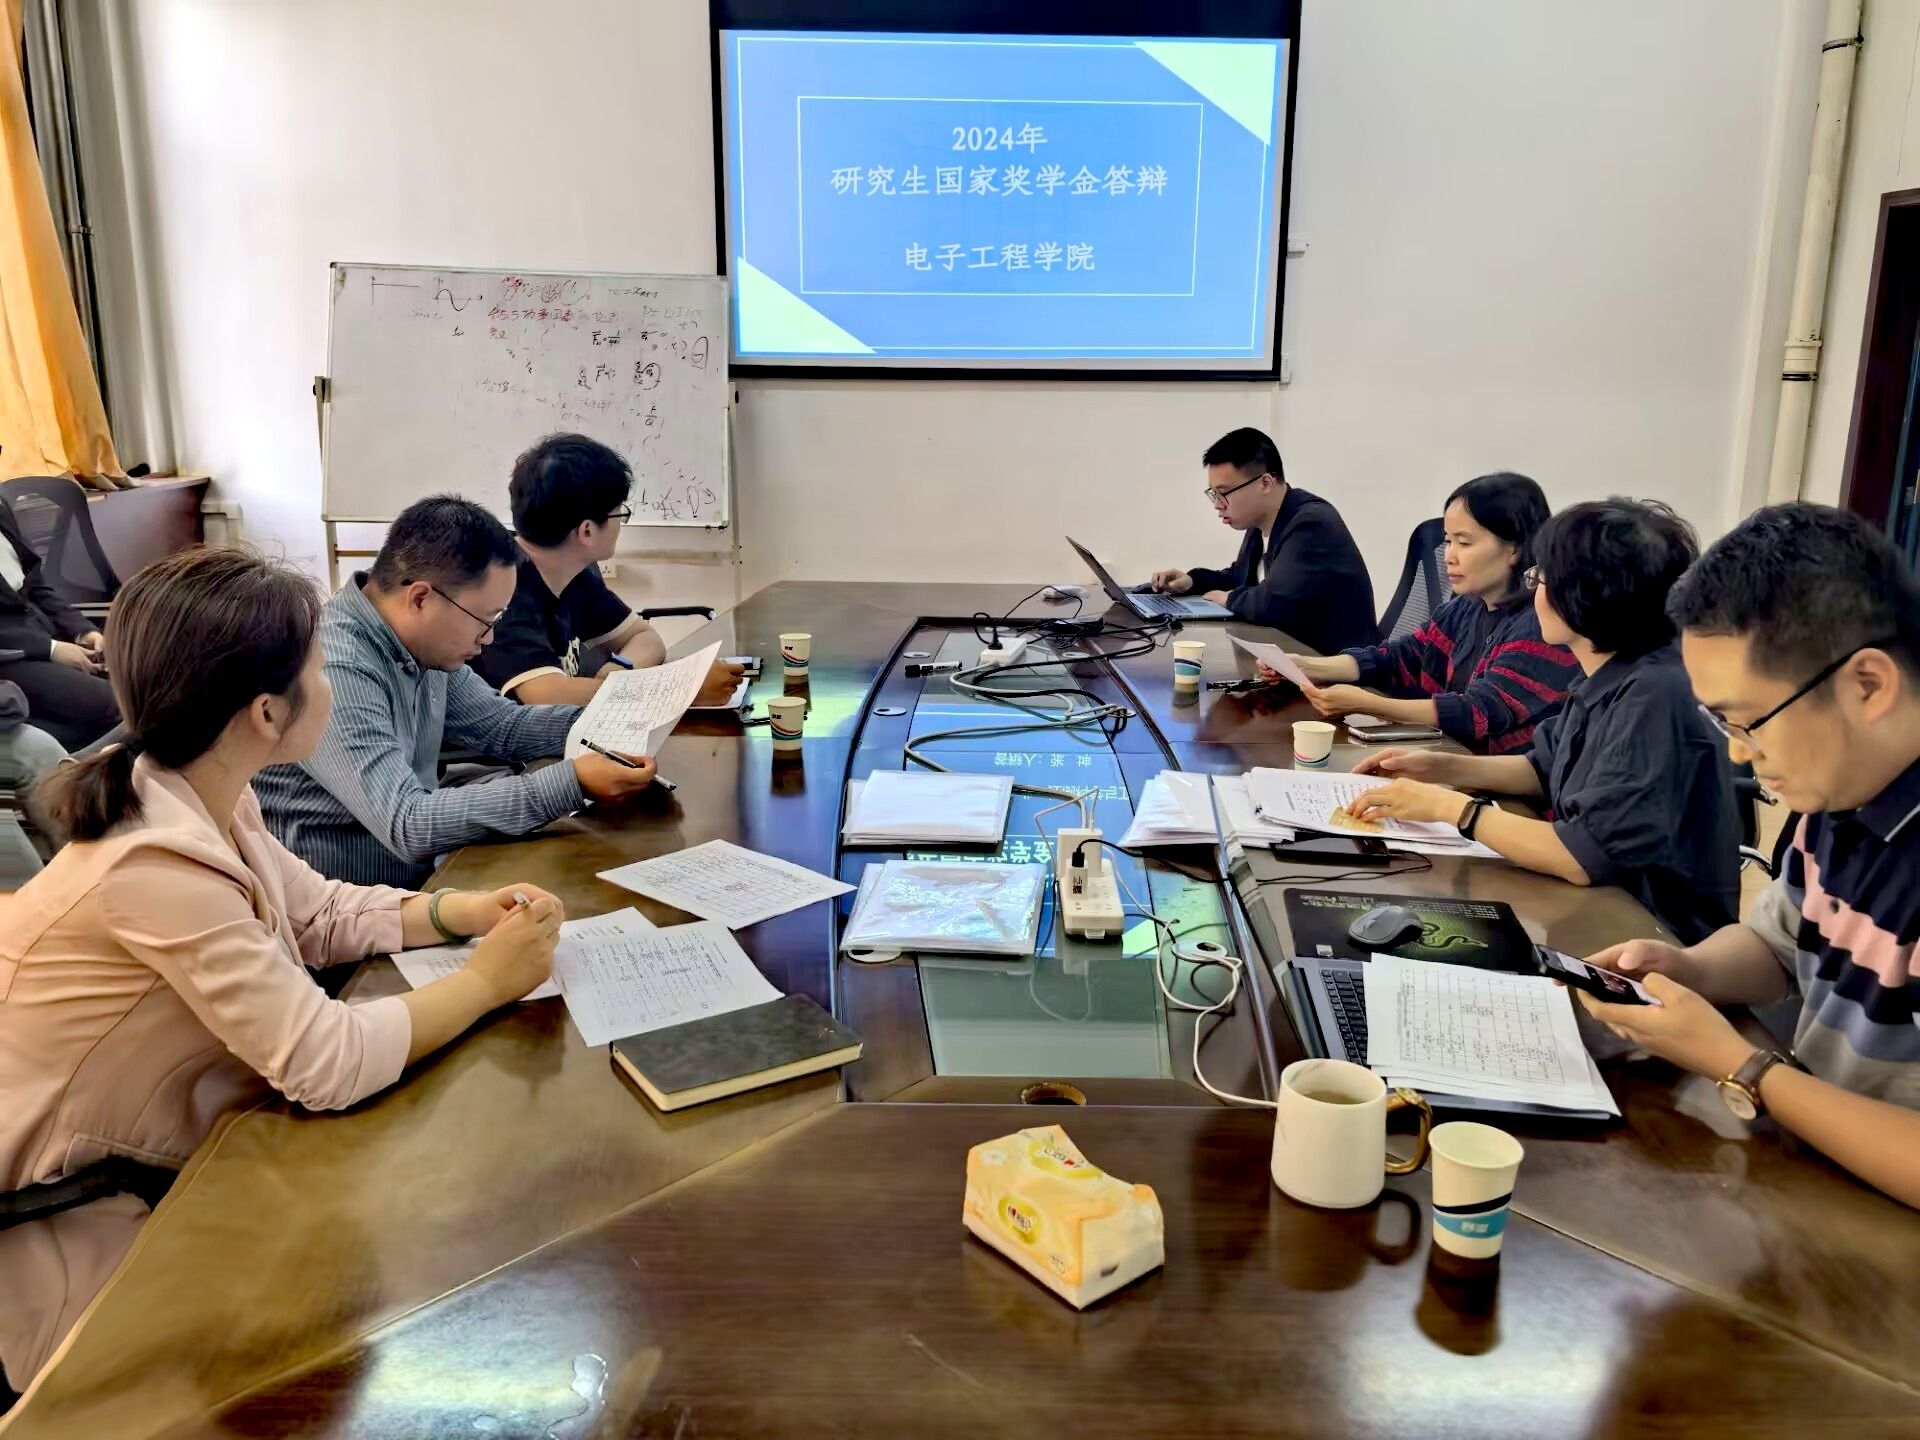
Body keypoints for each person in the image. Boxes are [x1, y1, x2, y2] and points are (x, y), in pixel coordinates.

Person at [0, 547, 565, 1392]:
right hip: (83, 1227)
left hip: (180, 1160)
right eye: (317, 668)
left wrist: (457, 912)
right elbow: (325, 1062)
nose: (329, 684)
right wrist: (488, 981)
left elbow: (317, 913)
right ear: (266, 712)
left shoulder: (201, 790)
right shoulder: (149, 865)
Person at [1575, 504, 1920, 1210]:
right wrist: (1689, 968)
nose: (1738, 753)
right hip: (1815, 1168)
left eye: (1749, 721)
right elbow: (1779, 944)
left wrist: (1743, 1067)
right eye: (1724, 723)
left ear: (1868, 685)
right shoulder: (1840, 793)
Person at [1349, 499, 1740, 944]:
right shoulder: (1609, 670)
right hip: (1598, 914)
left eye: (1541, 578)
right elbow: (1541, 767)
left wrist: (1450, 808)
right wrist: (1441, 767)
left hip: (1654, 940)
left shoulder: (1655, 695)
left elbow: (1579, 856)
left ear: (1585, 596)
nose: (1534, 591)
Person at [255, 496, 657, 887]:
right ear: (420, 598)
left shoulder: (423, 646)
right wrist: (573, 782)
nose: (489, 638)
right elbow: (408, 822)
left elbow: (503, 726)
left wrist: (625, 721)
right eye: (485, 619)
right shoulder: (337, 665)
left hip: (419, 880)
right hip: (345, 908)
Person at [1266, 472, 1578, 753]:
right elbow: (1398, 658)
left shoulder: (1542, 625)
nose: (1449, 556)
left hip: (1499, 784)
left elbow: (1476, 712)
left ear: (1515, 548)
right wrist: (1309, 666)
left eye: (1464, 543)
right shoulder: (1463, 608)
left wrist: (1371, 704)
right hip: (1447, 758)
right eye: (1448, 541)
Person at [471, 434, 744, 706]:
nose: (621, 523)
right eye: (619, 513)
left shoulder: (575, 572)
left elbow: (645, 638)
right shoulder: (504, 590)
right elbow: (548, 695)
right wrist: (681, 690)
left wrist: (619, 670)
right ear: (587, 531)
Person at [1148, 427, 1376, 652]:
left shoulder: (1311, 523)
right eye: (1213, 494)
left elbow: (1275, 601)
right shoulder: (1260, 523)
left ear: (1265, 483)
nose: (1217, 504)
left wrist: (1230, 599)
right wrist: (1191, 581)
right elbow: (1240, 577)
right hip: (1289, 657)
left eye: (1224, 493)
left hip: (1334, 665)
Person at [0, 499, 118, 750]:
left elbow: (37, 586)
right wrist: (51, 649)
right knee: (114, 703)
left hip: (42, 631)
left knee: (139, 680)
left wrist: (83, 630)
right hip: (9, 656)